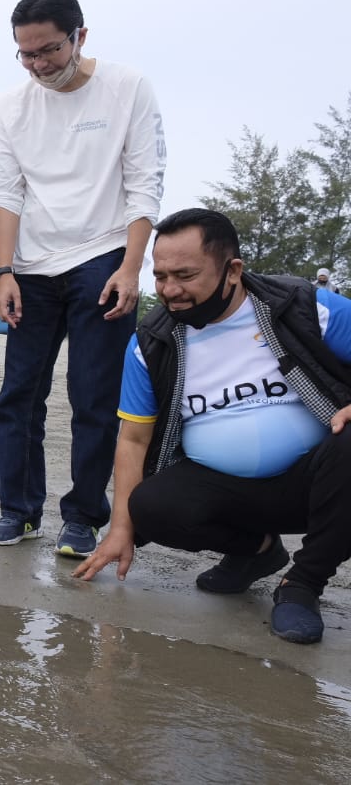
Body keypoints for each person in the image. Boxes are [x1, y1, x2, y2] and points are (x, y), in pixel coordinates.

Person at [75, 208, 351, 645]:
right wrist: (121, 529)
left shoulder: (303, 305)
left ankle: (302, 584)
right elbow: (133, 440)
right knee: (151, 505)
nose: (170, 290)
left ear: (233, 271)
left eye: (185, 275)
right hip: (226, 491)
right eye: (161, 276)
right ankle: (258, 552)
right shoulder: (152, 342)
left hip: (320, 484)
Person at [0, 0, 167, 557]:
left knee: (93, 396)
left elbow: (144, 182)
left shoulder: (127, 87)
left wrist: (132, 267)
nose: (38, 65)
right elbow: (7, 194)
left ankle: (83, 516)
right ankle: (19, 509)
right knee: (17, 394)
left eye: (49, 51)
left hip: (104, 255)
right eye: (26, 54)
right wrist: (6, 272)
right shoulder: (11, 106)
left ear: (80, 36)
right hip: (31, 266)